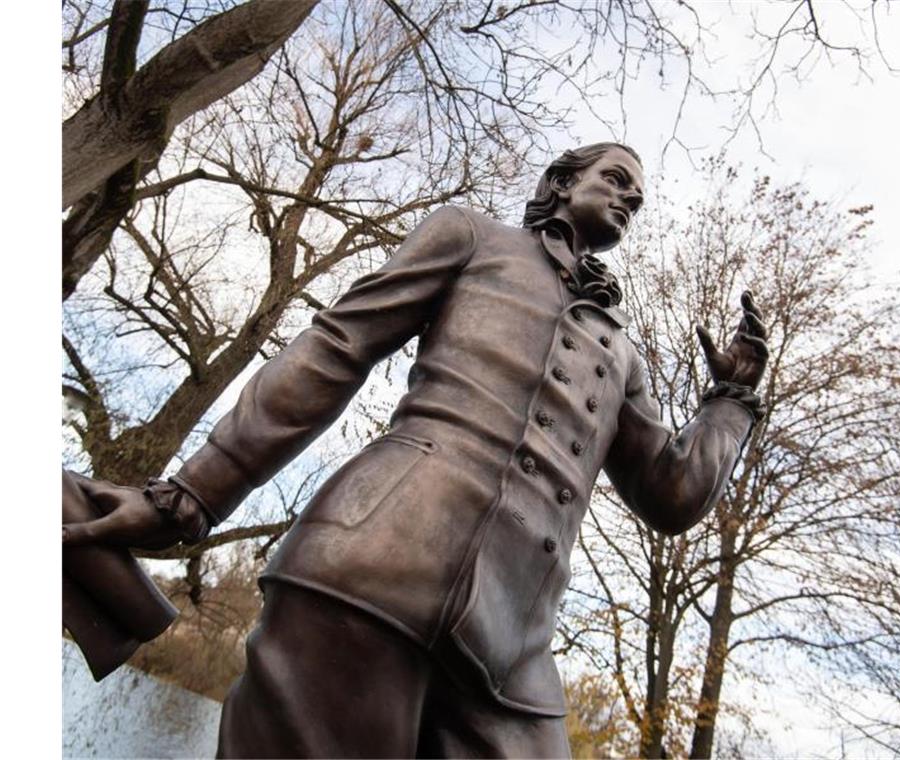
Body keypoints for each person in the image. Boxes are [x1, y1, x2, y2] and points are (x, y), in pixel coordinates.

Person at [62, 142, 769, 758]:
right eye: (616, 179)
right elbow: (337, 348)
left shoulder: (623, 355)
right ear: (560, 182)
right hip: (373, 566)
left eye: (638, 200)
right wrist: (195, 495)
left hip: (513, 647)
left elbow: (672, 496)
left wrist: (729, 405)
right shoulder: (473, 237)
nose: (629, 199)